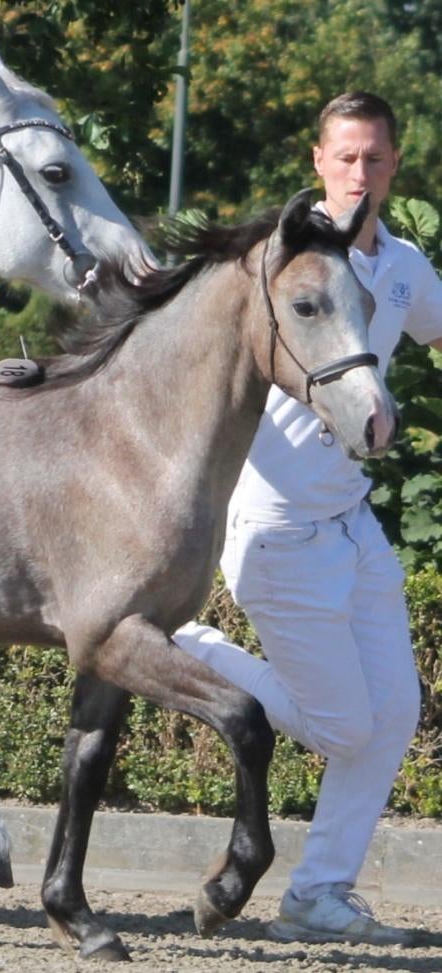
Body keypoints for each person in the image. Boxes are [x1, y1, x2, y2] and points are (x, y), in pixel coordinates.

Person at [174, 91, 442, 945]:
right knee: (340, 726)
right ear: (319, 163)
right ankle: (182, 644)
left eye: (375, 158)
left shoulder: (404, 264)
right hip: (280, 528)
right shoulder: (278, 264)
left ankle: (320, 892)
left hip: (352, 527)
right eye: (345, 157)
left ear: (393, 166)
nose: (360, 172)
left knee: (394, 712)